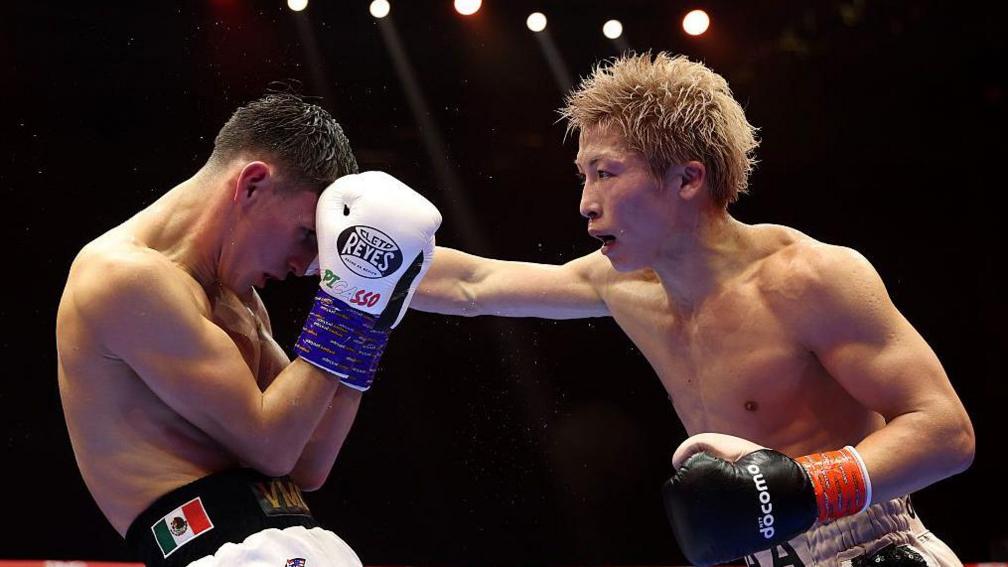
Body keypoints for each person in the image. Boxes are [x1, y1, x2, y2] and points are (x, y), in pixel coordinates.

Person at [412, 52, 974, 567]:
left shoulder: (808, 279)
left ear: (687, 177)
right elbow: (473, 283)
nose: (585, 203)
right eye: (584, 176)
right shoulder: (623, 285)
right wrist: (334, 254)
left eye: (605, 173)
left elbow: (947, 432)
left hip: (876, 545)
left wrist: (808, 485)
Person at [56, 91, 441, 566]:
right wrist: (345, 311)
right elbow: (274, 446)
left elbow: (309, 461)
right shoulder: (124, 277)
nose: (306, 264)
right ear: (253, 183)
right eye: (306, 234)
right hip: (222, 549)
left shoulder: (243, 303)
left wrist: (368, 324)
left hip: (297, 542)